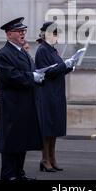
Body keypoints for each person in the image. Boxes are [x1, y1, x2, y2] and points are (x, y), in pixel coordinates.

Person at [0, 17, 44, 180]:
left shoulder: (22, 51)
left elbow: (28, 71)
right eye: (19, 31)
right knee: (11, 142)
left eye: (23, 30)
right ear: (9, 34)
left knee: (21, 140)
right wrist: (32, 77)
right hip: (13, 104)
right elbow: (12, 76)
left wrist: (39, 75)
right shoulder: (4, 54)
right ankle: (9, 175)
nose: (23, 33)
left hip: (25, 103)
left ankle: (19, 173)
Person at [35, 21, 74, 172]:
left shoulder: (52, 50)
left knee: (55, 127)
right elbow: (46, 72)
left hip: (56, 93)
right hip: (47, 93)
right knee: (48, 127)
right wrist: (64, 66)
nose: (57, 36)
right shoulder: (42, 50)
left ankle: (52, 158)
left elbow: (57, 70)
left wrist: (68, 67)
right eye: (54, 33)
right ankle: (45, 159)